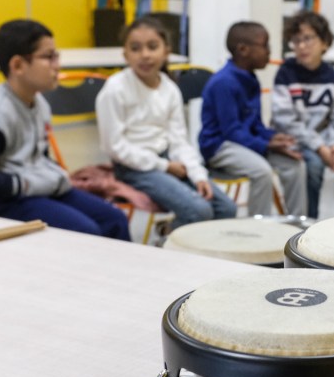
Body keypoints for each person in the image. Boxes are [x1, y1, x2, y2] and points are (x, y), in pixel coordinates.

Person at [0, 19, 131, 240]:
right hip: (1, 203)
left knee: (115, 219)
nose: (57, 65)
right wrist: (30, 184)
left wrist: (53, 177)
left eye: (56, 56)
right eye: (48, 57)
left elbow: (38, 156)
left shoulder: (39, 104)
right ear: (18, 65)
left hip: (39, 191)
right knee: (86, 232)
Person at [95, 16, 237, 230]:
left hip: (168, 161)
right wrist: (164, 166)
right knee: (199, 211)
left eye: (153, 47)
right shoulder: (115, 89)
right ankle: (169, 237)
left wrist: (197, 175)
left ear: (166, 51)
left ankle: (198, 250)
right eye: (135, 48)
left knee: (226, 208)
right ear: (125, 54)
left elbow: (178, 140)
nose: (145, 55)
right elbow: (114, 146)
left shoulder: (170, 89)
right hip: (133, 167)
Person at [271, 11, 334, 219]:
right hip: (298, 141)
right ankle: (309, 226)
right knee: (314, 168)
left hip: (331, 142)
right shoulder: (286, 74)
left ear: (325, 43)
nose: (301, 46)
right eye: (296, 41)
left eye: (308, 39)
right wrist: (320, 147)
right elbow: (286, 122)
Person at [197, 21, 307, 217]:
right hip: (220, 146)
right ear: (243, 49)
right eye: (264, 45)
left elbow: (254, 124)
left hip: (243, 142)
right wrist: (266, 145)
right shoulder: (224, 83)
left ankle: (297, 223)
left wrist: (274, 138)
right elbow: (232, 132)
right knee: (262, 172)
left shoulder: (251, 78)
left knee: (294, 164)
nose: (269, 52)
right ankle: (258, 230)